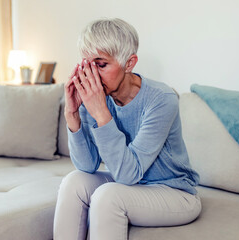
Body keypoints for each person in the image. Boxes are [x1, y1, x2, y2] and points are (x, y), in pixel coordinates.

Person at [53, 18, 201, 240]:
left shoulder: (161, 99)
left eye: (101, 65)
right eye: (88, 65)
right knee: (73, 182)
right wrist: (72, 115)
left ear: (129, 63)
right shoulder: (95, 94)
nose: (91, 76)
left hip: (175, 193)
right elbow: (86, 165)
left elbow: (126, 175)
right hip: (132, 187)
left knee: (107, 196)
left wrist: (101, 114)